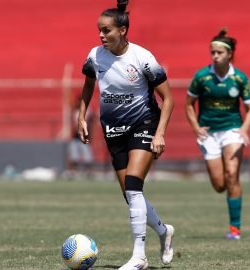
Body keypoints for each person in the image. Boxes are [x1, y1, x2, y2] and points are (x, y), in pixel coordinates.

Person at [78, 1, 175, 268]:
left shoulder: (143, 58)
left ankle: (138, 257)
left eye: (106, 30)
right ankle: (164, 231)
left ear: (122, 30)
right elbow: (87, 87)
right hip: (113, 130)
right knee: (130, 194)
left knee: (133, 185)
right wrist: (81, 117)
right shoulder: (95, 56)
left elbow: (168, 99)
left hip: (144, 123)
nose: (101, 35)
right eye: (99, 30)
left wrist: (160, 134)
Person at [185, 28, 250, 240]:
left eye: (219, 53)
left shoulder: (240, 78)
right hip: (208, 134)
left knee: (232, 175)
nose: (215, 56)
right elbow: (188, 104)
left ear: (229, 54)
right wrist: (196, 127)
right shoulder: (202, 77)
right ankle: (227, 187)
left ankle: (235, 229)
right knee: (220, 185)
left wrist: (244, 129)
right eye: (212, 52)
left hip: (232, 130)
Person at [66, 97, 95, 179]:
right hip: (76, 137)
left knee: (88, 157)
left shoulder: (88, 111)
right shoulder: (74, 111)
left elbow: (92, 123)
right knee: (73, 157)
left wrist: (91, 135)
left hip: (85, 136)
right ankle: (71, 172)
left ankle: (89, 172)